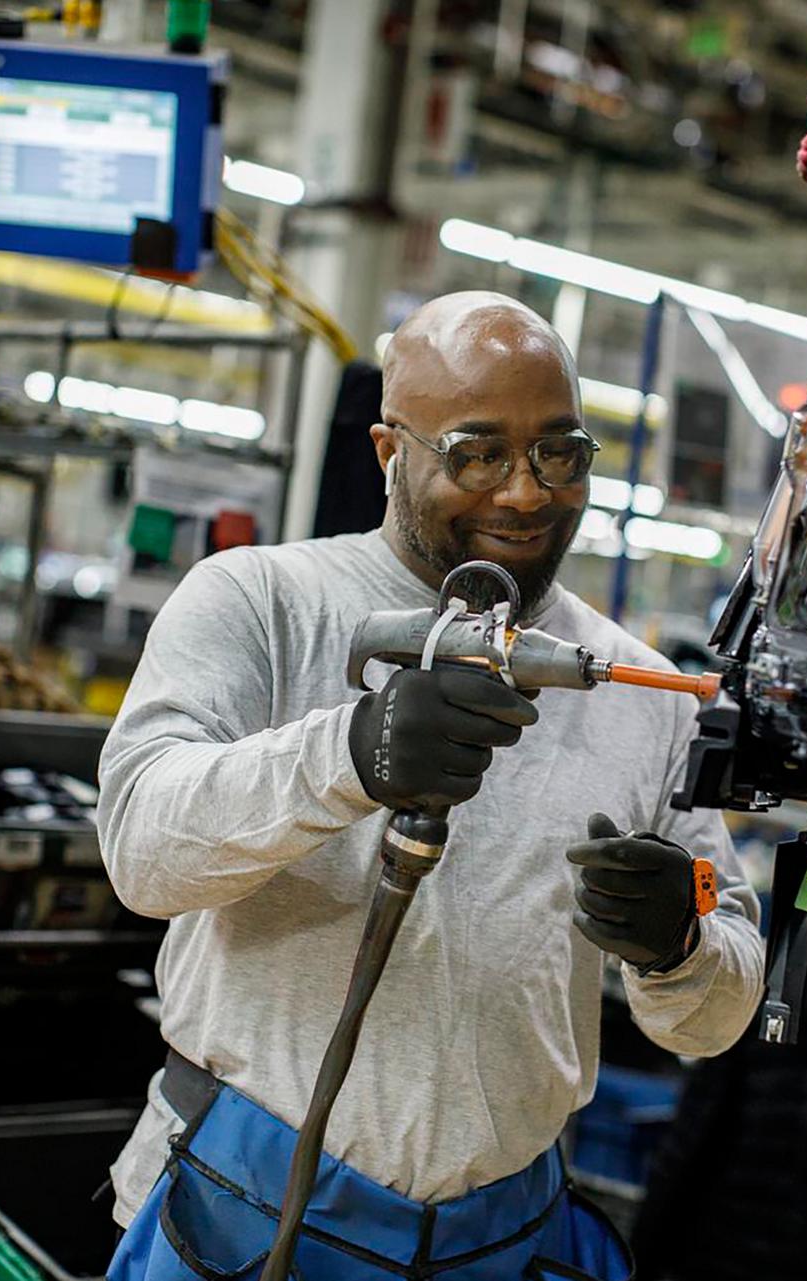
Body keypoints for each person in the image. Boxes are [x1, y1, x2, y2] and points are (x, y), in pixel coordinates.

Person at [100, 291, 763, 1279]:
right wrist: (347, 756)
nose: (526, 493)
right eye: (477, 453)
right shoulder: (261, 601)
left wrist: (680, 946)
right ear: (387, 451)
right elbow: (143, 852)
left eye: (560, 453)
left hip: (502, 1238)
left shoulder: (639, 690)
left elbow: (716, 1018)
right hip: (239, 1210)